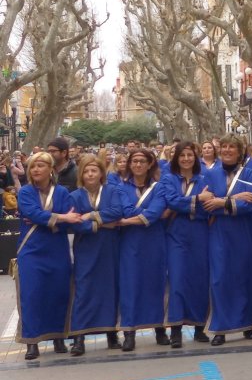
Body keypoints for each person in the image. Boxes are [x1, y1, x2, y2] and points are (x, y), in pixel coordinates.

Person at [14, 152, 82, 360]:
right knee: (32, 295)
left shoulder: (62, 192)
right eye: (33, 166)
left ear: (50, 169)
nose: (36, 170)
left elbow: (70, 217)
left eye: (41, 166)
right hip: (32, 250)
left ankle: (58, 336)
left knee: (58, 293)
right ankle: (31, 342)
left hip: (57, 249)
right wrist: (60, 218)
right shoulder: (25, 192)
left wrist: (51, 219)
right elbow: (32, 213)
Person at [197, 134, 252, 345]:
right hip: (219, 232)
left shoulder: (250, 174)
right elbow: (206, 205)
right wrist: (234, 200)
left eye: (231, 147)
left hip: (244, 232)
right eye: (223, 147)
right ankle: (221, 328)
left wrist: (221, 203)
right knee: (220, 278)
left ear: (239, 150)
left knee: (246, 276)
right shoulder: (209, 174)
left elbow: (251, 204)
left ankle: (248, 324)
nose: (227, 150)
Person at [68, 155, 124, 356]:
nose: (90, 174)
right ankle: (79, 337)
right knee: (83, 290)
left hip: (110, 246)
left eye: (94, 170)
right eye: (86, 171)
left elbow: (117, 211)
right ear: (81, 174)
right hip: (86, 247)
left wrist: (91, 216)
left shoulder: (112, 191)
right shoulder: (74, 196)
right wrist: (99, 224)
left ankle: (111, 333)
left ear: (102, 173)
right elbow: (72, 222)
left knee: (110, 288)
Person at [116, 149, 169, 351]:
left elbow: (156, 212)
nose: (138, 165)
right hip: (130, 242)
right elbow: (126, 209)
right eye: (134, 161)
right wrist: (145, 215)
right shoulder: (121, 188)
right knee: (130, 286)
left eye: (142, 161)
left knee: (156, 284)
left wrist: (130, 220)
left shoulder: (159, 187)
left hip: (154, 241)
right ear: (129, 165)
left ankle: (159, 329)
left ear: (149, 164)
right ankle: (129, 333)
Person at [161, 142, 211, 347]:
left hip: (200, 232)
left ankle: (200, 327)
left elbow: (209, 205)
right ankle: (176, 329)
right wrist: (198, 198)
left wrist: (190, 203)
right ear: (176, 158)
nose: (186, 159)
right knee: (178, 279)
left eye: (190, 155)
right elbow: (172, 201)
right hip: (177, 233)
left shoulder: (205, 178)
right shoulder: (168, 178)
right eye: (182, 155)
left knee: (200, 279)